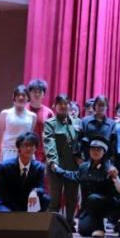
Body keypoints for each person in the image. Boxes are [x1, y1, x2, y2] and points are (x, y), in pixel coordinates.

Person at [49, 139, 120, 237]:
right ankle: (94, 224)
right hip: (89, 207)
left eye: (98, 149)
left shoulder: (109, 168)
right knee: (84, 231)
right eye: (93, 149)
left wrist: (115, 177)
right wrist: (58, 170)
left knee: (93, 198)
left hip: (107, 205)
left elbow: (117, 191)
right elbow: (73, 175)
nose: (95, 152)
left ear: (104, 152)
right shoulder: (83, 167)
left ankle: (100, 229)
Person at [43, 94, 80, 226]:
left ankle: (69, 223)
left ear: (69, 106)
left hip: (73, 166)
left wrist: (81, 159)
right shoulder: (50, 123)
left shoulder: (76, 122)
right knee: (55, 198)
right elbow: (49, 142)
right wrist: (53, 162)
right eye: (60, 103)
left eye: (66, 103)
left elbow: (80, 142)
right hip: (56, 166)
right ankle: (51, 225)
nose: (63, 106)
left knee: (72, 197)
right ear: (55, 106)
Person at [0, 132, 50, 213]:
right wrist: (18, 211)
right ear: (19, 147)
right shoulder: (5, 166)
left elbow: (41, 187)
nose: (28, 148)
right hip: (7, 202)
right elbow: (3, 193)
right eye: (25, 145)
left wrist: (34, 191)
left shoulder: (39, 167)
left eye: (31, 145)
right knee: (6, 212)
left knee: (45, 199)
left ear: (36, 148)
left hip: (27, 201)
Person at [0, 85, 37, 162]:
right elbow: (1, 132)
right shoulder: (5, 113)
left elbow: (30, 135)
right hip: (9, 150)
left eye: (23, 95)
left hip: (26, 151)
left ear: (27, 98)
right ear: (14, 97)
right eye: (18, 95)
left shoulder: (33, 116)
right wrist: (0, 150)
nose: (21, 97)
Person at [26, 79, 55, 161]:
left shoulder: (49, 113)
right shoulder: (23, 109)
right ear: (29, 93)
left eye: (40, 92)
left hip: (42, 154)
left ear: (44, 95)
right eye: (34, 91)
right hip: (24, 150)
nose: (37, 94)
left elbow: (52, 135)